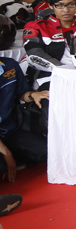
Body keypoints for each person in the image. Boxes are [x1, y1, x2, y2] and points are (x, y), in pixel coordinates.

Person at [0, 15, 48, 181]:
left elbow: (22, 93)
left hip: (9, 131)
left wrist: (33, 94)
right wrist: (5, 151)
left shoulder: (9, 65)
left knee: (45, 151)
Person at [23, 0, 76, 94]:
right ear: (50, 6)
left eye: (71, 5)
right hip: (48, 78)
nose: (66, 10)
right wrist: (65, 71)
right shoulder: (35, 26)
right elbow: (34, 54)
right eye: (60, 5)